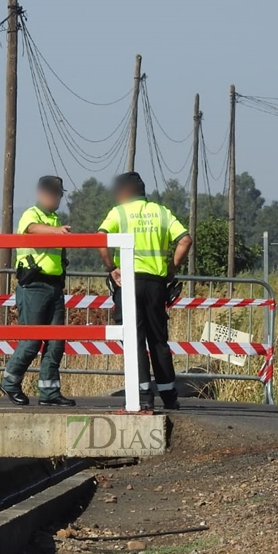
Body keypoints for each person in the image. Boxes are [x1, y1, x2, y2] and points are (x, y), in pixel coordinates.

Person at [96, 172, 192, 411]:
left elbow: (100, 239)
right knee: (158, 340)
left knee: (134, 340)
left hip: (127, 283)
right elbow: (185, 240)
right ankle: (169, 394)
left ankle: (143, 394)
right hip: (156, 284)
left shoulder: (118, 213)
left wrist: (111, 269)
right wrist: (171, 269)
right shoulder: (161, 212)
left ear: (124, 192)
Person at [1, 175, 77, 407]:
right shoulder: (32, 215)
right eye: (52, 193)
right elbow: (31, 229)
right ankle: (10, 382)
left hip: (54, 286)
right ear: (41, 194)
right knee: (32, 339)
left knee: (56, 341)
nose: (56, 198)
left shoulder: (55, 220)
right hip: (34, 285)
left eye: (59, 194)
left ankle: (49, 391)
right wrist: (56, 232)